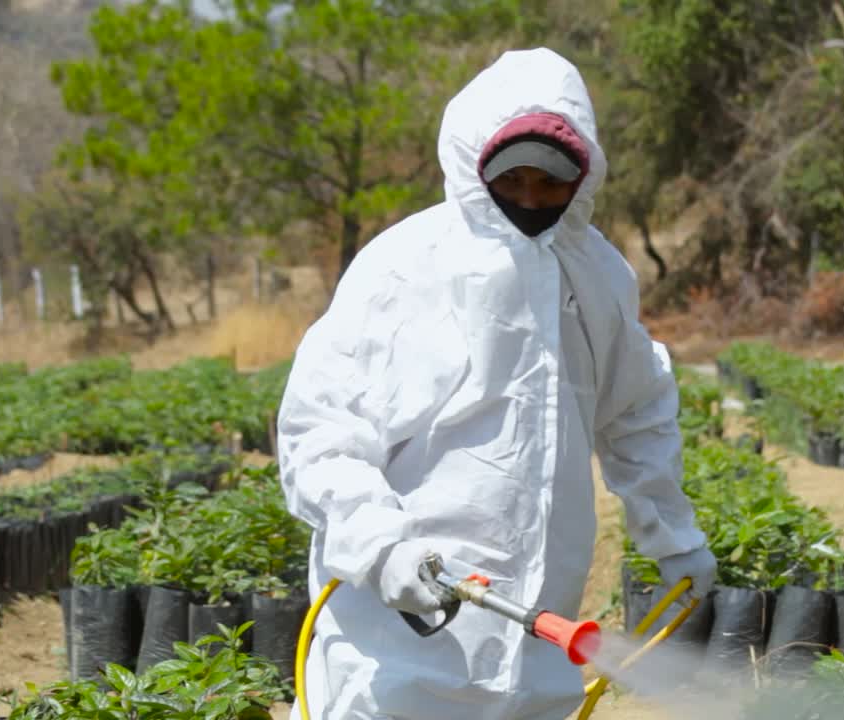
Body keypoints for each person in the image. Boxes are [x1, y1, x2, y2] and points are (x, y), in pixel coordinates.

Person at [276, 47, 717, 720]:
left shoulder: (596, 272)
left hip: (538, 633)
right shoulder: (403, 269)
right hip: (401, 642)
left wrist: (673, 535)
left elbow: (635, 413)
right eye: (514, 179)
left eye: (554, 181)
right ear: (474, 162)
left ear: (586, 173)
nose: (532, 199)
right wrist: (381, 546)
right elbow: (323, 432)